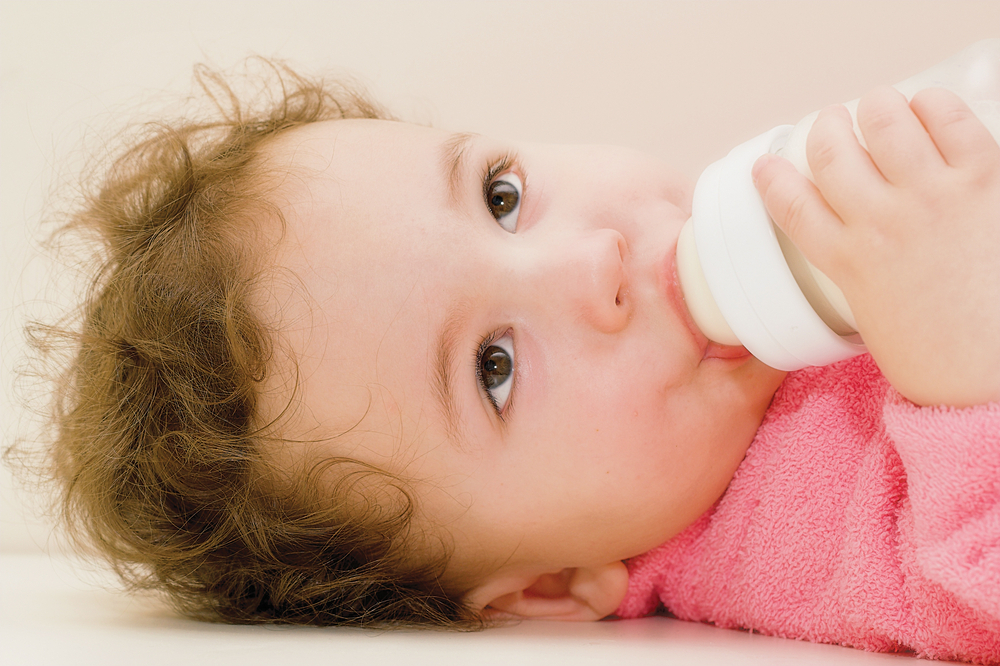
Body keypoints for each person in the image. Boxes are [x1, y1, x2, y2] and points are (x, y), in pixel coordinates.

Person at [31, 62, 999, 658]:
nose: (592, 261)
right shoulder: (782, 535)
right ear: (553, 586)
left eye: (501, 197)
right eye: (492, 367)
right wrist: (959, 357)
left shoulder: (797, 248)